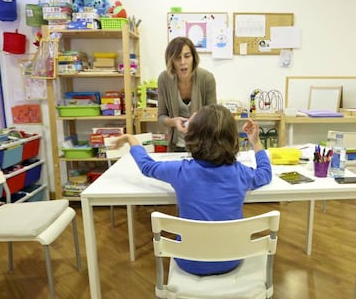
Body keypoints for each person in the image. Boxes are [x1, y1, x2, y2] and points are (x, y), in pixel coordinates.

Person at [110, 104, 272, 275]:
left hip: (189, 262)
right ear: (233, 139)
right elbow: (265, 173)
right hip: (231, 259)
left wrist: (131, 139)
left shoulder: (180, 171)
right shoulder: (240, 173)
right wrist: (255, 141)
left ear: (192, 137)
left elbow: (146, 166)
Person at [157, 37, 217, 152]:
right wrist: (173, 122)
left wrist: (199, 119)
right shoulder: (164, 79)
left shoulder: (207, 78)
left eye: (187, 56)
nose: (183, 62)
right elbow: (161, 117)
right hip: (176, 146)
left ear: (194, 58)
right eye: (177, 58)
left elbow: (214, 115)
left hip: (202, 145)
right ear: (171, 61)